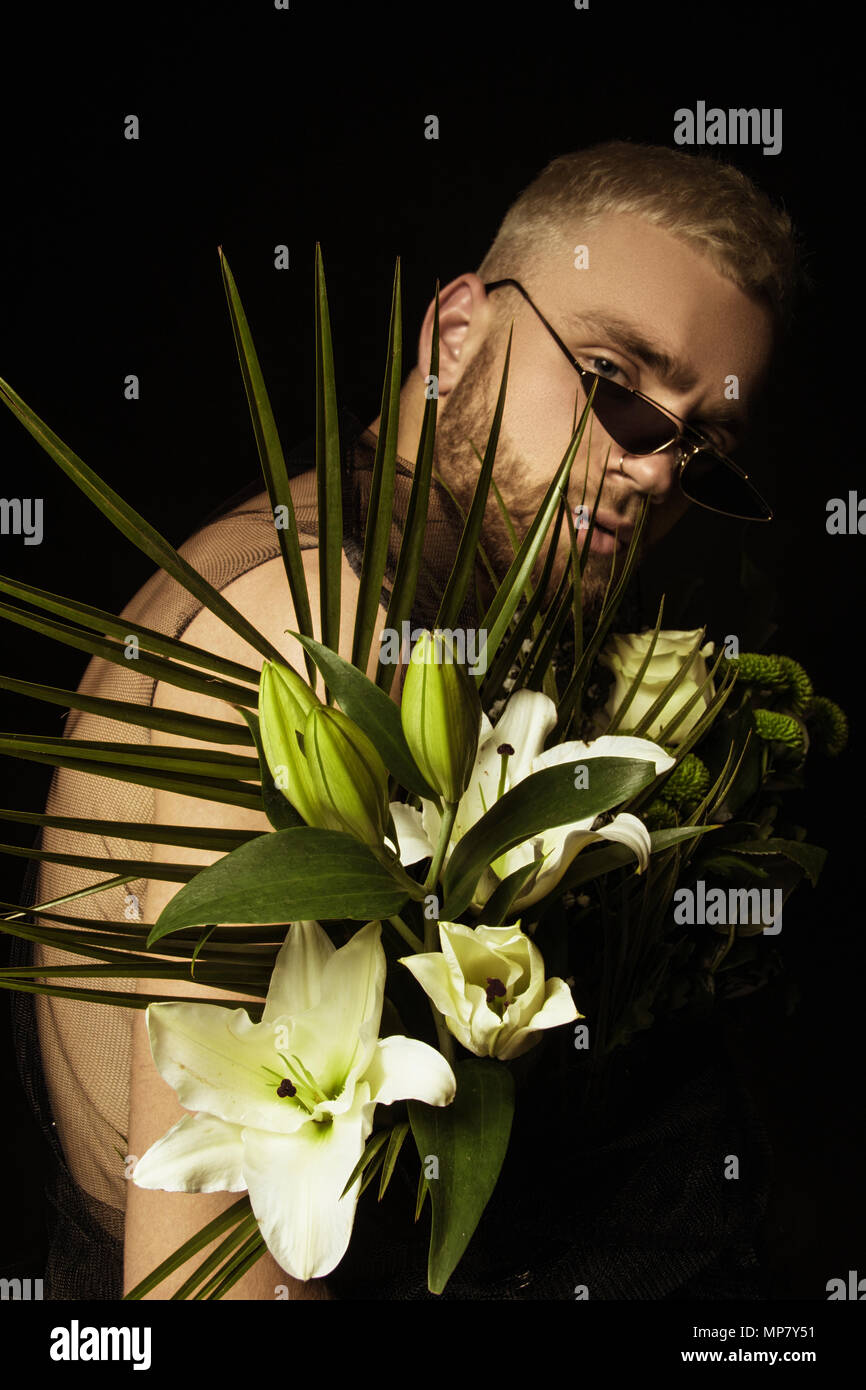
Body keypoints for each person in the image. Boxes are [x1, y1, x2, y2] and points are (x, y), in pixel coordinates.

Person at [14, 141, 800, 1300]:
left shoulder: (446, 621)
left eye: (700, 453)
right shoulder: (300, 627)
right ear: (454, 334)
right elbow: (201, 1272)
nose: (649, 473)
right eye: (614, 383)